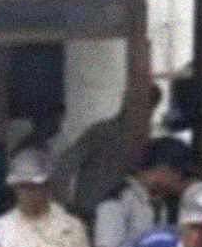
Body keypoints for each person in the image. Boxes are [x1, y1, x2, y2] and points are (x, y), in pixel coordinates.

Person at [50, 84, 163, 225]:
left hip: (129, 222)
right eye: (133, 100)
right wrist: (65, 210)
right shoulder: (102, 133)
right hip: (91, 217)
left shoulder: (149, 142)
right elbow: (64, 167)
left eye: (147, 104)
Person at [91, 137, 199, 247]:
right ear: (163, 172)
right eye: (180, 180)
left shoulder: (161, 205)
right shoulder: (119, 200)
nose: (181, 187)